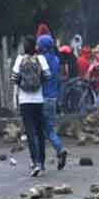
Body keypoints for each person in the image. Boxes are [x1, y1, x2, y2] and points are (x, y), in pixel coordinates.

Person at [11, 35, 50, 177]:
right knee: (40, 132)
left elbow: (14, 79)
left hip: (24, 101)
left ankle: (35, 162)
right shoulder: (41, 59)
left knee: (30, 132)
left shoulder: (19, 60)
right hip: (38, 100)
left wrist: (23, 83)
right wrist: (37, 81)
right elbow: (47, 76)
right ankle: (43, 162)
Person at [38, 34, 68, 171]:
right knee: (49, 129)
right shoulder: (56, 60)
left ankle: (41, 160)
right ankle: (59, 150)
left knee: (41, 131)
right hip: (53, 99)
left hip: (41, 98)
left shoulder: (40, 60)